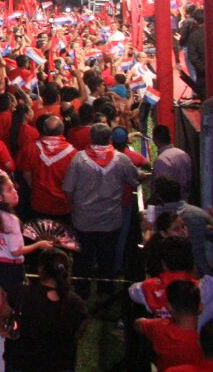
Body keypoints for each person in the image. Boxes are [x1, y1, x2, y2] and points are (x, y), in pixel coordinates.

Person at [62, 123, 141, 295]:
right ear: (109, 139)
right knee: (108, 258)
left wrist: (76, 207)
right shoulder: (121, 159)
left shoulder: (78, 159)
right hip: (110, 220)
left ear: (91, 138)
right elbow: (135, 180)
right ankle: (106, 290)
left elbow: (68, 189)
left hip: (83, 220)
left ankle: (82, 291)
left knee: (83, 260)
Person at [0, 174, 53, 323]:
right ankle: (8, 342)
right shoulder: (12, 221)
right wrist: (38, 245)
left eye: (13, 188)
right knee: (15, 308)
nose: (15, 191)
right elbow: (16, 251)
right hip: (11, 270)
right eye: (9, 190)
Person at [136, 280, 205, 372]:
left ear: (169, 307)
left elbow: (138, 324)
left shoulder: (159, 327)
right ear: (200, 307)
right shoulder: (206, 343)